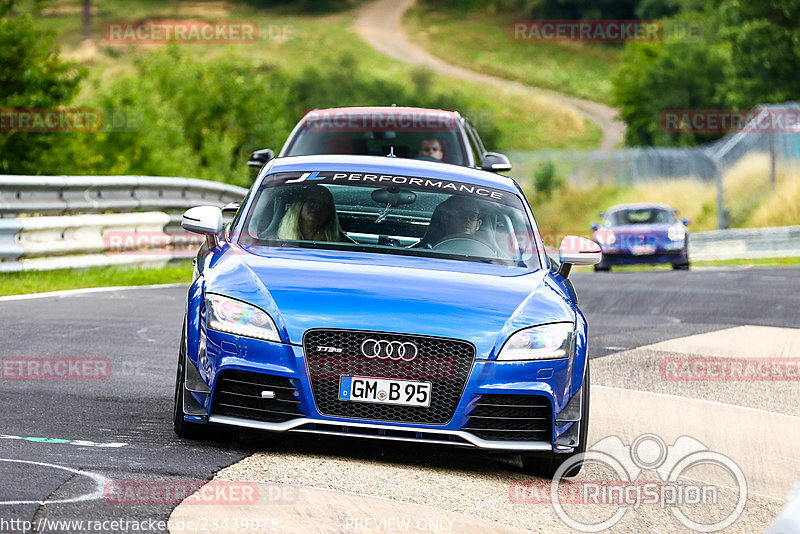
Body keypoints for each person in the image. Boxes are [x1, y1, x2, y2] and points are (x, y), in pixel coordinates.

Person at [277, 184, 344, 242]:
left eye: (323, 204)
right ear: (298, 206)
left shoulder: (340, 247)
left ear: (329, 214)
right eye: (311, 201)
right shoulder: (274, 243)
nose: (317, 206)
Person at [417, 195, 483, 248]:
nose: (467, 219)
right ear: (445, 218)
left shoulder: (486, 256)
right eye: (460, 213)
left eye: (472, 216)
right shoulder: (423, 252)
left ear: (478, 224)